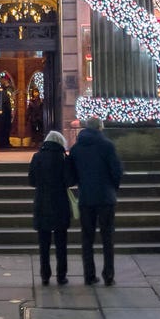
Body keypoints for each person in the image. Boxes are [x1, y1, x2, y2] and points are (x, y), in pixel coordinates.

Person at [69, 115, 123, 286]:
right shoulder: (107, 145)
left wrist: (81, 183)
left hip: (86, 197)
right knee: (107, 237)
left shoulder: (76, 148)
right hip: (105, 198)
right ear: (100, 127)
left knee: (87, 239)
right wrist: (112, 188)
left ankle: (89, 275)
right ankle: (109, 275)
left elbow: (71, 175)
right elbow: (116, 170)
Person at [28, 129, 75, 286]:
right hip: (60, 204)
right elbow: (69, 181)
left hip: (42, 203)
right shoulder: (63, 159)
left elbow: (32, 181)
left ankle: (45, 276)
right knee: (61, 243)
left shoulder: (37, 157)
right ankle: (61, 276)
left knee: (44, 244)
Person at [0, 72, 13, 150]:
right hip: (3, 113)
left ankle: (5, 142)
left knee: (6, 128)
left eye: (4, 80)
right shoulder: (2, 90)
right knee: (3, 128)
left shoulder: (6, 90)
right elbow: (4, 102)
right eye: (3, 80)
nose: (4, 82)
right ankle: (2, 143)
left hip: (6, 113)